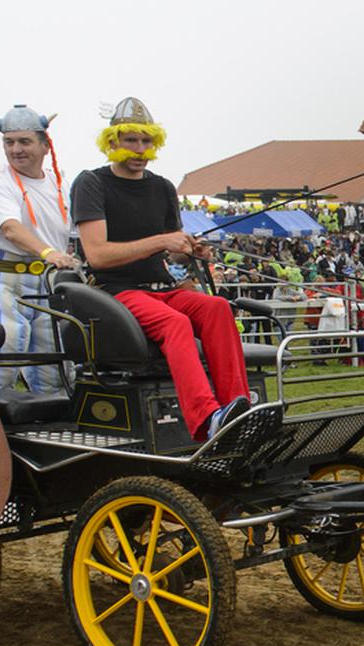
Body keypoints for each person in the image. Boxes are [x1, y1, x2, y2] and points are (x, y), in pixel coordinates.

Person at [71, 97, 254, 442]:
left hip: (163, 288)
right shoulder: (91, 183)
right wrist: (162, 241)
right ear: (112, 142)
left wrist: (192, 252)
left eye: (147, 141)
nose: (140, 149)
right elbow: (98, 256)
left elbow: (174, 254)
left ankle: (236, 410)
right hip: (117, 293)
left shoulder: (163, 187)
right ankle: (207, 419)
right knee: (176, 323)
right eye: (131, 140)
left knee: (216, 307)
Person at [0, 103, 78, 394]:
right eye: (9, 142)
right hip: (0, 283)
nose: (16, 149)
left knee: (54, 367)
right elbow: (11, 229)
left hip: (45, 283)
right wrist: (49, 253)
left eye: (24, 142)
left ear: (44, 144)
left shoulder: (59, 182)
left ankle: (52, 427)